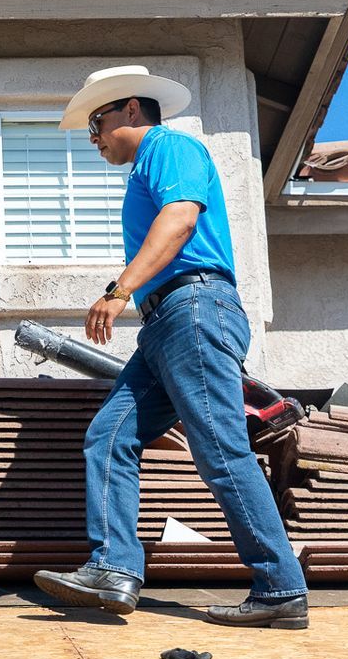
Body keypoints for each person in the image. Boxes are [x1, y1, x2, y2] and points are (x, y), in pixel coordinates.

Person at [32, 66, 309, 629]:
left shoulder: (171, 147)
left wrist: (119, 289)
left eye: (97, 123)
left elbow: (181, 219)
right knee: (109, 435)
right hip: (165, 324)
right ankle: (113, 569)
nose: (94, 139)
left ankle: (281, 588)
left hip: (194, 309)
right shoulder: (146, 166)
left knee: (219, 449)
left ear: (131, 109)